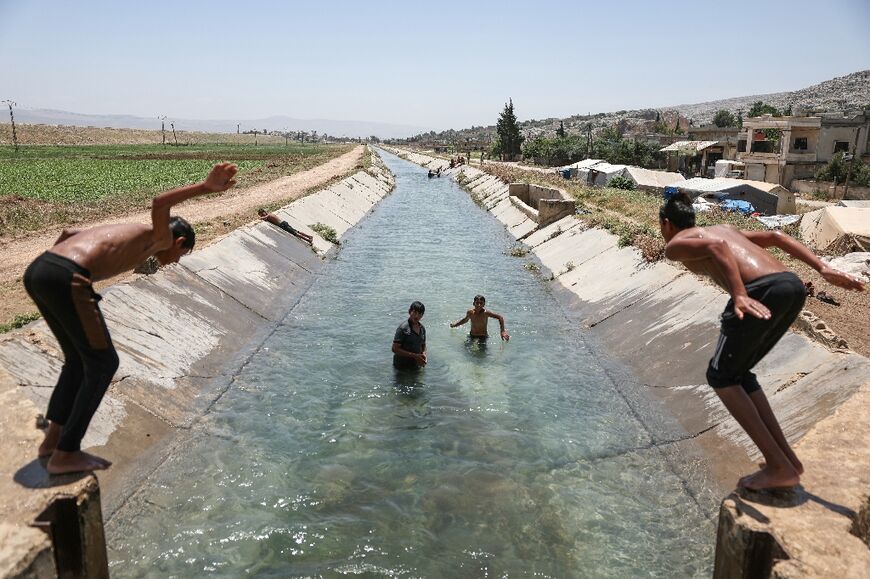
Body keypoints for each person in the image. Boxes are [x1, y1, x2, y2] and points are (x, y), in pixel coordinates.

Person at [24, 163, 239, 475]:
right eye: (182, 255)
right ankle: (66, 453)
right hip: (68, 278)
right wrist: (205, 188)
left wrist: (63, 273)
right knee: (103, 363)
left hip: (41, 269)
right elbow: (160, 202)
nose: (174, 261)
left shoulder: (130, 232)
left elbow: (70, 234)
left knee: (77, 360)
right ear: (178, 243)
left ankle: (52, 443)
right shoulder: (161, 237)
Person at [659, 192, 864, 491]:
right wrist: (823, 268)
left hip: (761, 291)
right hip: (791, 287)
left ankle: (780, 466)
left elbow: (717, 248)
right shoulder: (725, 230)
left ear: (667, 224)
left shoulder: (676, 245)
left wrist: (739, 293)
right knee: (739, 375)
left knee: (721, 377)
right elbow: (776, 236)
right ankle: (787, 462)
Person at [392, 301, 427, 369]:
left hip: (416, 366)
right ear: (409, 312)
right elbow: (394, 349)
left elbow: (423, 344)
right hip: (401, 368)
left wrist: (424, 354)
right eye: (414, 312)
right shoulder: (403, 328)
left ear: (422, 315)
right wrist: (415, 356)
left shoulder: (422, 328)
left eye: (420, 313)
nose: (417, 316)